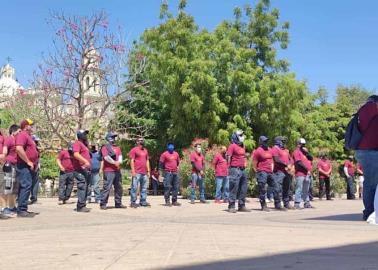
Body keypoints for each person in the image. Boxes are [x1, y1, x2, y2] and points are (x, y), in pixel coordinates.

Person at [355, 95, 378, 221]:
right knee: (372, 183)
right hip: (371, 151)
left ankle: (370, 210)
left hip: (363, 150)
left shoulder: (362, 110)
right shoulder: (372, 107)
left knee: (370, 181)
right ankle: (370, 211)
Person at [15, 119, 39, 217]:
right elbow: (19, 148)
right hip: (24, 165)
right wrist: (28, 161)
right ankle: (21, 210)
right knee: (26, 186)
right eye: (31, 125)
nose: (32, 126)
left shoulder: (28, 136)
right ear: (25, 126)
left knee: (26, 186)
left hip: (29, 166)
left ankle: (22, 208)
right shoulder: (22, 135)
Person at [253, 136, 282, 211]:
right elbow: (254, 163)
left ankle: (278, 205)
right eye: (264, 141)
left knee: (276, 187)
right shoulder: (258, 151)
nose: (266, 143)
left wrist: (272, 168)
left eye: (266, 141)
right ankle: (263, 205)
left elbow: (272, 159)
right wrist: (257, 171)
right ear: (261, 142)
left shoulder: (270, 149)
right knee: (262, 189)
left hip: (270, 172)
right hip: (262, 172)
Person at [100, 132, 126, 210]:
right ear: (109, 138)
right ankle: (103, 203)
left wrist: (119, 162)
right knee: (107, 187)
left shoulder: (117, 148)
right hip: (108, 171)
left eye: (114, 137)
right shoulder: (105, 147)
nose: (114, 139)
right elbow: (106, 157)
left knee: (119, 187)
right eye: (113, 137)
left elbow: (120, 157)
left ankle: (118, 203)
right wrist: (115, 162)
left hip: (117, 171)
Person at [226, 130, 249, 213]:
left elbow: (244, 156)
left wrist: (245, 163)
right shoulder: (232, 146)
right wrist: (228, 168)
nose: (242, 136)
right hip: (235, 169)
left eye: (242, 134)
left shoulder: (243, 146)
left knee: (243, 188)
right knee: (234, 188)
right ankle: (231, 206)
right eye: (240, 135)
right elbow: (228, 156)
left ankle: (242, 205)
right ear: (235, 136)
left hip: (243, 170)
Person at [1, 124, 21, 218]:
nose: (20, 133)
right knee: (7, 187)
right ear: (13, 132)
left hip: (15, 166)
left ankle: (12, 207)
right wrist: (3, 159)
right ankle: (4, 208)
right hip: (9, 166)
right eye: (19, 131)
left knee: (13, 188)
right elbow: (4, 151)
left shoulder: (18, 141)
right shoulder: (9, 139)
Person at [271, 136, 293, 210]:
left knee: (286, 188)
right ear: (278, 141)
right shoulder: (275, 149)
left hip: (286, 171)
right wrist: (286, 165)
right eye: (282, 141)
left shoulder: (285, 150)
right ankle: (278, 204)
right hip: (278, 172)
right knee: (277, 188)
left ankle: (286, 203)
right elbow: (276, 159)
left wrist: (290, 164)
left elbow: (290, 159)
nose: (284, 143)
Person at [72, 129, 92, 212]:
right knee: (82, 186)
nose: (86, 136)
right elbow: (75, 154)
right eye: (84, 134)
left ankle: (82, 204)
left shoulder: (84, 144)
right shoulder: (77, 143)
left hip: (85, 170)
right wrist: (85, 161)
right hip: (79, 169)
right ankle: (80, 206)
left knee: (86, 187)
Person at [129, 137, 151, 208]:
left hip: (144, 173)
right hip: (137, 172)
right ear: (137, 142)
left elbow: (147, 160)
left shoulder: (145, 150)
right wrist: (133, 171)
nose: (141, 141)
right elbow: (132, 160)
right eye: (140, 140)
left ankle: (143, 201)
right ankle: (133, 202)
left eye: (142, 140)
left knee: (144, 188)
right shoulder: (134, 150)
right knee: (134, 187)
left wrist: (148, 171)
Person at [292, 138, 314, 209]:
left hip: (307, 174)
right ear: (298, 144)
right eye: (302, 144)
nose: (303, 146)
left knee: (306, 189)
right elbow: (299, 163)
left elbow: (311, 158)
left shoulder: (304, 152)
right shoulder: (296, 152)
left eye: (304, 144)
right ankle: (297, 203)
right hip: (300, 173)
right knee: (299, 188)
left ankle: (306, 203)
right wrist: (307, 169)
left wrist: (307, 152)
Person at [29, 135, 41, 205]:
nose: (37, 142)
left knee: (35, 183)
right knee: (27, 184)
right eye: (35, 141)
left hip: (36, 168)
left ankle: (34, 198)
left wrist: (38, 166)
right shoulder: (28, 148)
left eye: (37, 141)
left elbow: (38, 158)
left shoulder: (37, 149)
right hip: (29, 167)